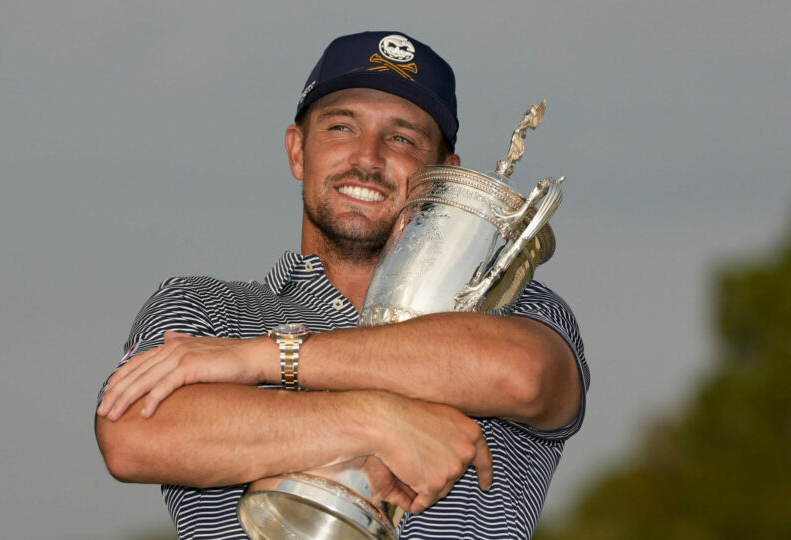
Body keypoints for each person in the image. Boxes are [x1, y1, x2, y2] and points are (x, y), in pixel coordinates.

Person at [95, 31, 588, 539]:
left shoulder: (505, 303)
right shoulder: (208, 311)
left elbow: (518, 375)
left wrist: (262, 360)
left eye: (402, 138)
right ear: (298, 151)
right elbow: (133, 431)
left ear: (444, 176)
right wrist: (377, 420)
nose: (368, 157)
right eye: (341, 127)